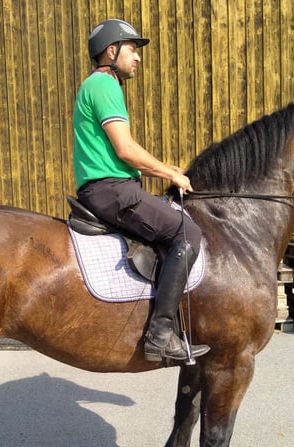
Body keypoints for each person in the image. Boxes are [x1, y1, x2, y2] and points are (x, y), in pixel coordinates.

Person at [73, 18, 209, 363]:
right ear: (111, 50)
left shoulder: (98, 86)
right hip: (111, 190)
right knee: (186, 231)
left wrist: (167, 168)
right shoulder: (105, 86)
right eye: (132, 49)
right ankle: (161, 334)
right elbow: (126, 150)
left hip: (111, 186)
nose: (138, 57)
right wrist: (171, 175)